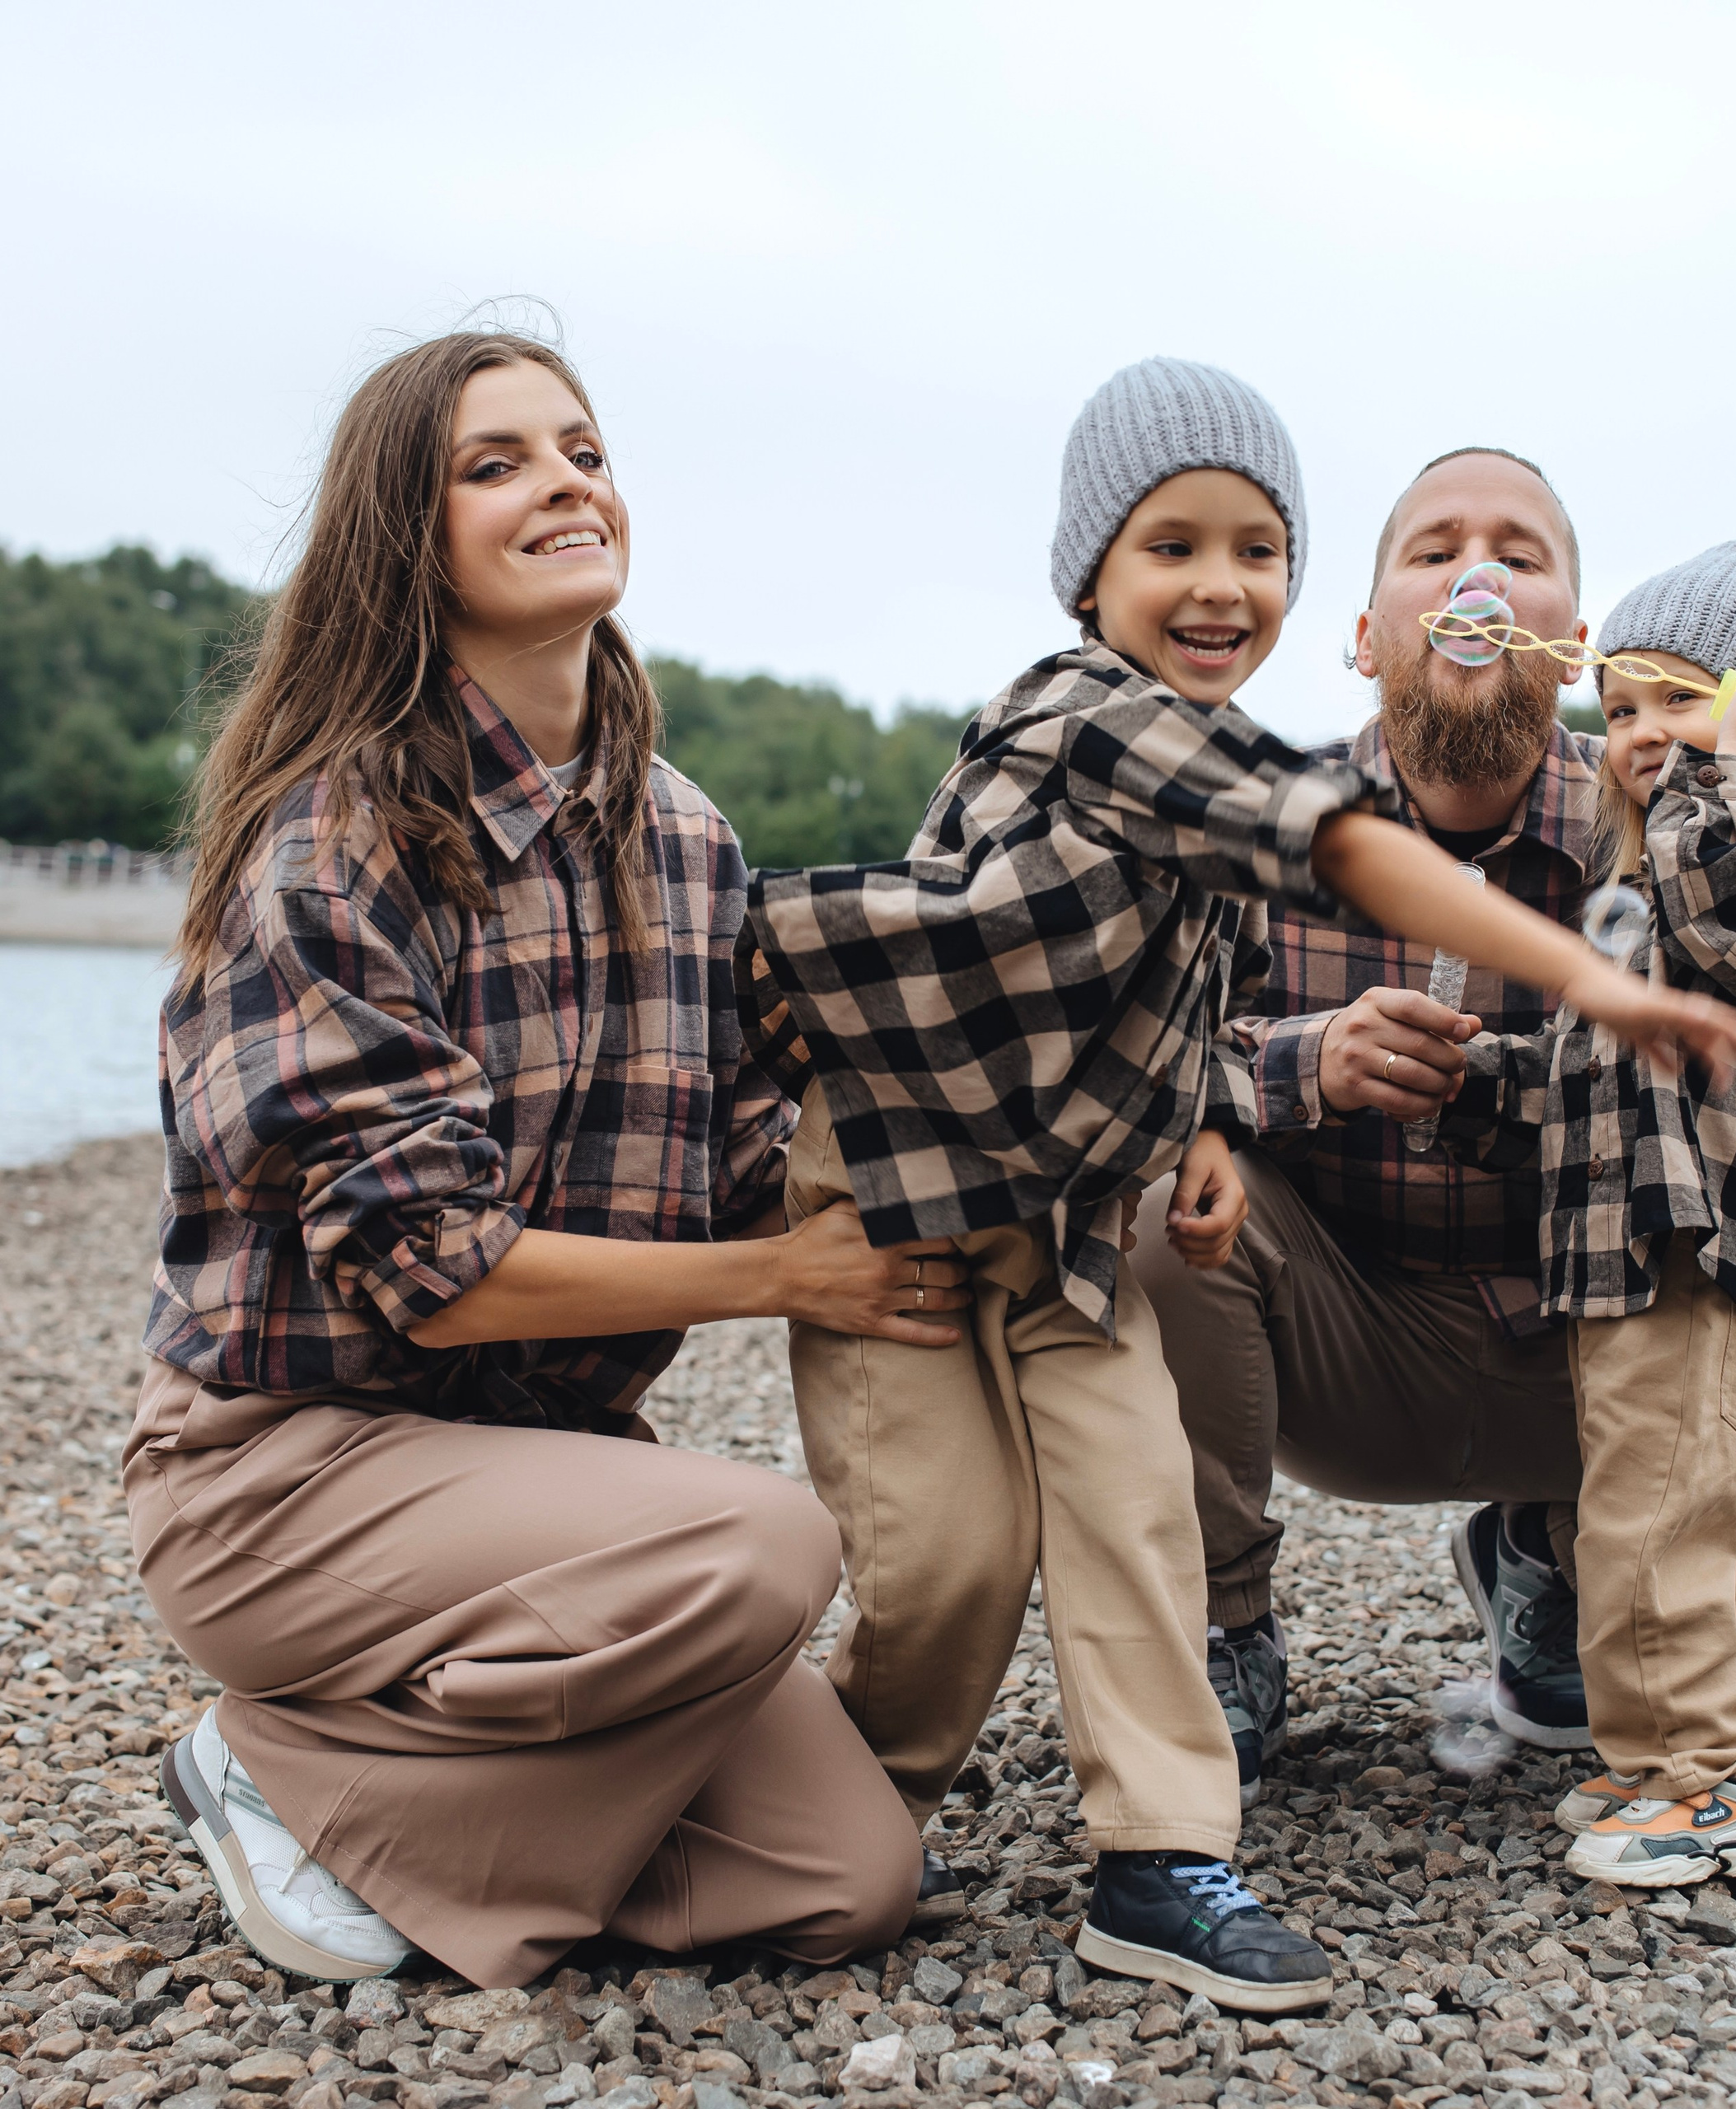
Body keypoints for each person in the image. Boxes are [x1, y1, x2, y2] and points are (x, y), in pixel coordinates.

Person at [737, 360, 1736, 2011]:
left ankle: (1158, 1855)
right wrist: (1608, 992)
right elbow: (1339, 847)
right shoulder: (1084, 709)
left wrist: (1212, 1116)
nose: (1216, 585)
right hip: (898, 1186)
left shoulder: (1301, 772)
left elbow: (1174, 1011)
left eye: (1253, 550)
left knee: (1134, 1497)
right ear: (1090, 580)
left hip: (1072, 1210)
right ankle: (831, 1786)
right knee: (948, 1558)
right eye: (1170, 547)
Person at [131, 330, 971, 1987]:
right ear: (408, 539)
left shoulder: (685, 833)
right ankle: (270, 1753)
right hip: (284, 1473)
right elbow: (433, 1276)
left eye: (581, 447)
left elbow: (750, 1140)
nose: (566, 482)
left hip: (543, 1491)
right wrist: (784, 1279)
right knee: (763, 1543)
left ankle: (360, 1788)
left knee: (845, 1872)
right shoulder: (329, 838)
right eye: (497, 462)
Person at [1133, 447, 1736, 1803]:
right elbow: (1116, 1066)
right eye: (1434, 551)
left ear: (1573, 646)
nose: (1478, 577)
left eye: (1521, 557)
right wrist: (1305, 1063)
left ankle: (1557, 1557)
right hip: (1340, 1347)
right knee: (1149, 1202)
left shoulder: (1687, 809)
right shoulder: (1255, 825)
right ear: (1367, 639)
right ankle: (1224, 1629)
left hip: (1611, 1351)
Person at [1443, 540, 1736, 1883]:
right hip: (1633, 1266)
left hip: (1719, 1263)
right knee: (1636, 1516)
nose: (1639, 739)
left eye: (1678, 703)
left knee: (1668, 1524)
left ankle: (1705, 1786)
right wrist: (1461, 1083)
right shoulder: (1652, 894)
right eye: (1620, 711)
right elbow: (1588, 1078)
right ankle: (1663, 1766)